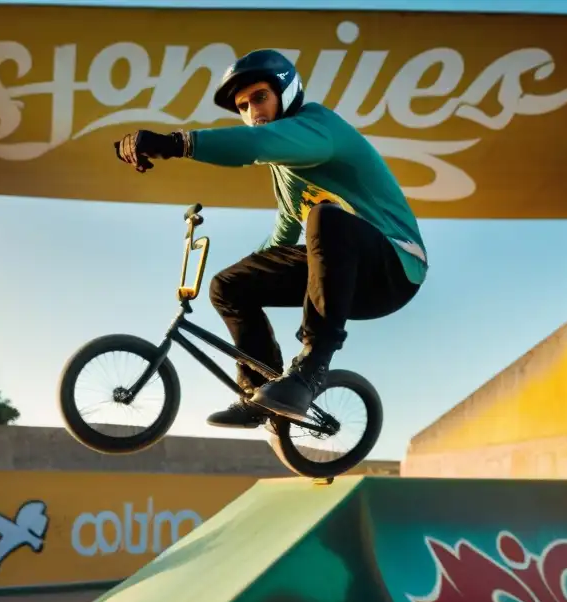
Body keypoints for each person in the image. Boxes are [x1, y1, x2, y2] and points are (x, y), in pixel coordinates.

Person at [113, 49, 427, 426]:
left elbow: (257, 146)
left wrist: (174, 143)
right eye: (243, 106)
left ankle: (309, 371)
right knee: (228, 286)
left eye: (259, 97)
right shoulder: (285, 170)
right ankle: (262, 391)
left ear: (286, 93)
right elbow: (284, 232)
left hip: (392, 268)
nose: (252, 113)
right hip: (340, 271)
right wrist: (248, 272)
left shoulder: (320, 128)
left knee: (327, 218)